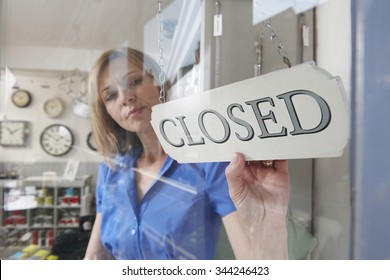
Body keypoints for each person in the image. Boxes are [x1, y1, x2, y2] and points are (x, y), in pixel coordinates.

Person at [84, 47, 290, 260]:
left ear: (159, 83)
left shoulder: (206, 162)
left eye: (134, 81)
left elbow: (255, 262)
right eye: (110, 95)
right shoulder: (111, 171)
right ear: (105, 112)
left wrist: (269, 225)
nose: (125, 98)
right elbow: (93, 259)